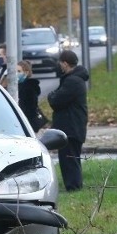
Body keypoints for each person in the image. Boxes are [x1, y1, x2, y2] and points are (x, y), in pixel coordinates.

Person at [46, 49, 88, 192]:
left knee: (69, 159)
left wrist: (51, 96)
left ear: (65, 63)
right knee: (71, 158)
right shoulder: (74, 79)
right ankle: (74, 185)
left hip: (71, 127)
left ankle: (74, 187)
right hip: (72, 126)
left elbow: (56, 100)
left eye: (60, 63)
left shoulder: (72, 81)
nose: (59, 66)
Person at [16, 59, 48, 132]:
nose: (16, 74)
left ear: (26, 73)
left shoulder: (29, 88)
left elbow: (31, 108)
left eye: (19, 71)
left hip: (29, 123)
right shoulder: (17, 86)